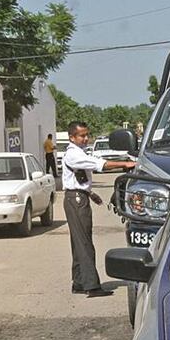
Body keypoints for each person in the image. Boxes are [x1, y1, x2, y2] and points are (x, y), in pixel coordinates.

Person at [63, 121, 135, 298]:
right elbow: (98, 164)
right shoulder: (73, 154)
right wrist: (124, 165)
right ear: (72, 137)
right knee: (84, 243)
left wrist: (91, 193)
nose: (86, 138)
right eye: (81, 135)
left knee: (78, 241)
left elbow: (79, 179)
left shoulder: (78, 153)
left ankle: (79, 281)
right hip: (76, 200)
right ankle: (91, 285)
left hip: (79, 196)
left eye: (87, 134)